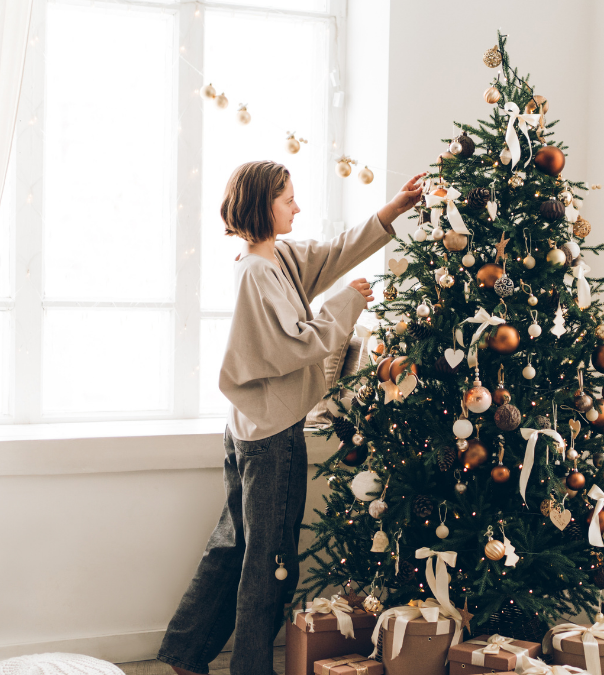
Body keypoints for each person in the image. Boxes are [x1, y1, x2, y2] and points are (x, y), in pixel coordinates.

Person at [157, 160, 425, 675]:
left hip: (248, 428)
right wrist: (348, 303)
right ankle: (252, 668)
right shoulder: (258, 273)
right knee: (271, 563)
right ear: (264, 206)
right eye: (288, 200)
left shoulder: (273, 258)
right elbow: (295, 345)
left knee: (234, 547)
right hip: (271, 437)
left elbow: (333, 252)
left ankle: (185, 657)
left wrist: (393, 208)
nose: (297, 207)